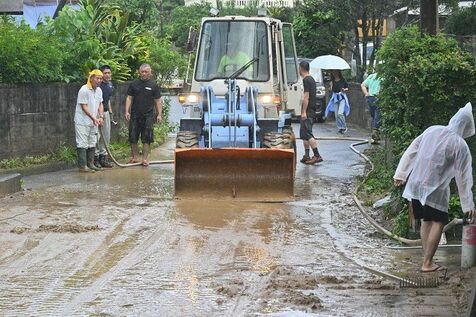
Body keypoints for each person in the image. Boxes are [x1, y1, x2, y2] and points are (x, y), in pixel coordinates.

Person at [394, 102, 475, 273]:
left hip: (416, 185)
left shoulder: (432, 130)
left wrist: (400, 174)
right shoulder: (460, 145)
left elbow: (411, 151)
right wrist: (468, 206)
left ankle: (426, 259)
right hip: (435, 189)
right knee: (438, 221)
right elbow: (464, 178)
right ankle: (428, 262)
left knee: (426, 220)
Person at [124, 64, 162, 166]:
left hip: (148, 115)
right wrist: (127, 111)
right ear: (139, 72)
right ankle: (135, 157)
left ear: (150, 72)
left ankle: (145, 159)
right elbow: (129, 98)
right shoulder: (134, 84)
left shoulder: (154, 85)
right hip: (135, 114)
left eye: (146, 72)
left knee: (147, 138)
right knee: (133, 136)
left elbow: (158, 101)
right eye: (142, 72)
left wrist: (159, 114)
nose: (144, 73)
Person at [74, 69, 104, 173]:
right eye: (97, 78)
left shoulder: (99, 90)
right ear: (91, 78)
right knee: (82, 142)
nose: (99, 80)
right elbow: (84, 106)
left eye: (101, 78)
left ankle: (90, 163)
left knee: (92, 141)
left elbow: (100, 104)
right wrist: (94, 118)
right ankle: (82, 166)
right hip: (82, 121)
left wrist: (101, 117)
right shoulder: (84, 89)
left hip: (93, 121)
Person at [299, 60, 323, 165]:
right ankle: (307, 155)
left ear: (301, 68)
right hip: (310, 110)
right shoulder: (311, 79)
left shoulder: (307, 80)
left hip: (308, 111)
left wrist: (304, 111)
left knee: (308, 133)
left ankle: (317, 155)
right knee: (304, 133)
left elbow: (306, 97)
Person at [94, 65, 114, 168]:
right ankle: (95, 158)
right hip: (96, 113)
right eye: (105, 73)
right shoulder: (98, 86)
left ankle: (103, 158)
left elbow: (108, 100)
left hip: (105, 112)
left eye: (108, 73)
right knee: (96, 136)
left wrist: (110, 114)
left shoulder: (110, 85)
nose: (107, 75)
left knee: (106, 136)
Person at [324, 70, 350, 134]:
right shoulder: (332, 81)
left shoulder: (343, 80)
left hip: (342, 98)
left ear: (338, 72)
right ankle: (340, 128)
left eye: (336, 72)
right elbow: (331, 90)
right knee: (336, 115)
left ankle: (344, 127)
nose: (334, 73)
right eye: (333, 72)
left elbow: (347, 88)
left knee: (340, 113)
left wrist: (344, 89)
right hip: (335, 98)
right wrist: (330, 86)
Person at [361, 72, 382, 144]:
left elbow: (363, 85)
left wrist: (366, 93)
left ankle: (375, 136)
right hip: (378, 98)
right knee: (377, 116)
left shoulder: (371, 76)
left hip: (370, 98)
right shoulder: (383, 77)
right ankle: (375, 134)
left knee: (374, 116)